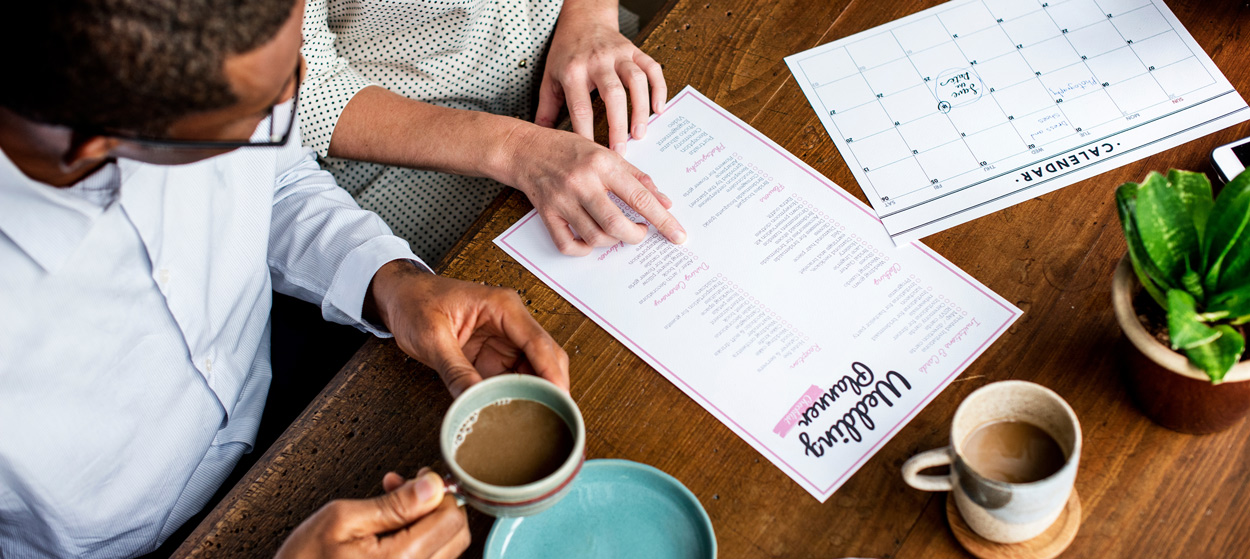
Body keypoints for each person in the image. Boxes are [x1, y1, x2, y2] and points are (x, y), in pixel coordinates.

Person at [0, 0, 568, 557]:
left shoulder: (202, 69)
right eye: (257, 112)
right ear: (99, 149)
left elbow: (276, 178)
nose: (300, 93)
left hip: (295, 387)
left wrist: (389, 282)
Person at [301, 0, 688, 261]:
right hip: (413, 148)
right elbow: (301, 97)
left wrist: (590, 13)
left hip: (589, 48)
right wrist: (515, 147)